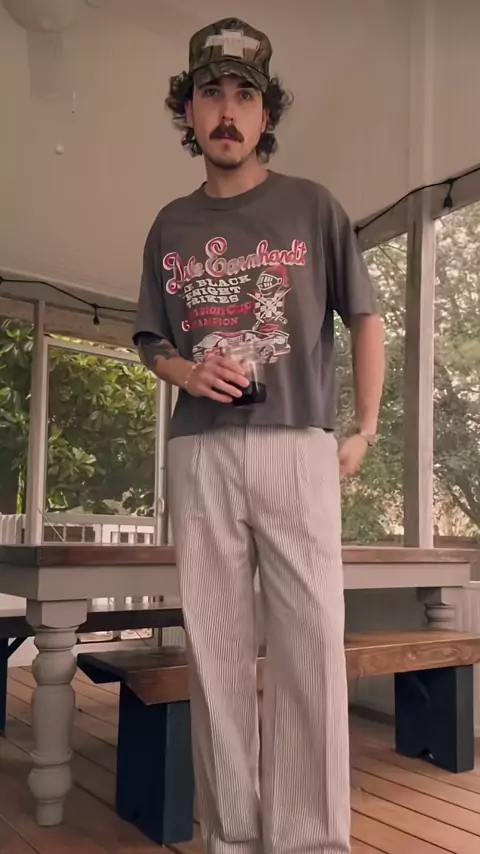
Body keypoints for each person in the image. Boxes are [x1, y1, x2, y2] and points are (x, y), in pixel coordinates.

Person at [133, 16, 385, 854]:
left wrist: (365, 428)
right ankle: (232, 839)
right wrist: (185, 372)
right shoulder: (170, 224)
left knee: (310, 646)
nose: (228, 110)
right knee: (215, 652)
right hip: (199, 451)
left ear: (266, 113)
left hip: (297, 444)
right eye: (211, 93)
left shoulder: (313, 205)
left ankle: (311, 842)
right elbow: (150, 340)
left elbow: (367, 317)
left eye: (245, 95)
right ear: (189, 111)